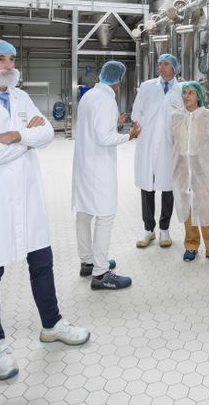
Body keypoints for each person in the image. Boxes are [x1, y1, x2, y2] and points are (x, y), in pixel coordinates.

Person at [0, 39, 89, 381]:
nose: (8, 66)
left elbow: (47, 133)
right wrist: (24, 138)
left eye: (11, 59)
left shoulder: (20, 97)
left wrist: (15, 136)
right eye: (0, 60)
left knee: (42, 262)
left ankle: (52, 324)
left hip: (27, 196)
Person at [73, 61, 141, 290]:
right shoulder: (106, 100)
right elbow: (104, 138)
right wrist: (128, 135)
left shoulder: (89, 96)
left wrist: (115, 124)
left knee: (84, 213)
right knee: (105, 216)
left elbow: (95, 129)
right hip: (98, 169)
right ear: (119, 80)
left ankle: (88, 262)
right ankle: (101, 274)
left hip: (84, 164)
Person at [169, 81, 209, 263]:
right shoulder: (175, 116)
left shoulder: (208, 116)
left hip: (202, 169)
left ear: (198, 96)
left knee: (205, 206)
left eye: (191, 93)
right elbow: (171, 139)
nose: (187, 96)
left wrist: (204, 159)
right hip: (182, 170)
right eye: (184, 93)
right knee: (187, 206)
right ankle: (191, 245)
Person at [132, 53, 184, 248]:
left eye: (166, 64)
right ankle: (148, 230)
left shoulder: (181, 90)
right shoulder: (147, 87)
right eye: (160, 64)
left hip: (169, 146)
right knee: (147, 186)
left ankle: (164, 229)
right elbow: (136, 112)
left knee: (168, 187)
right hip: (147, 143)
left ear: (174, 68)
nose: (161, 67)